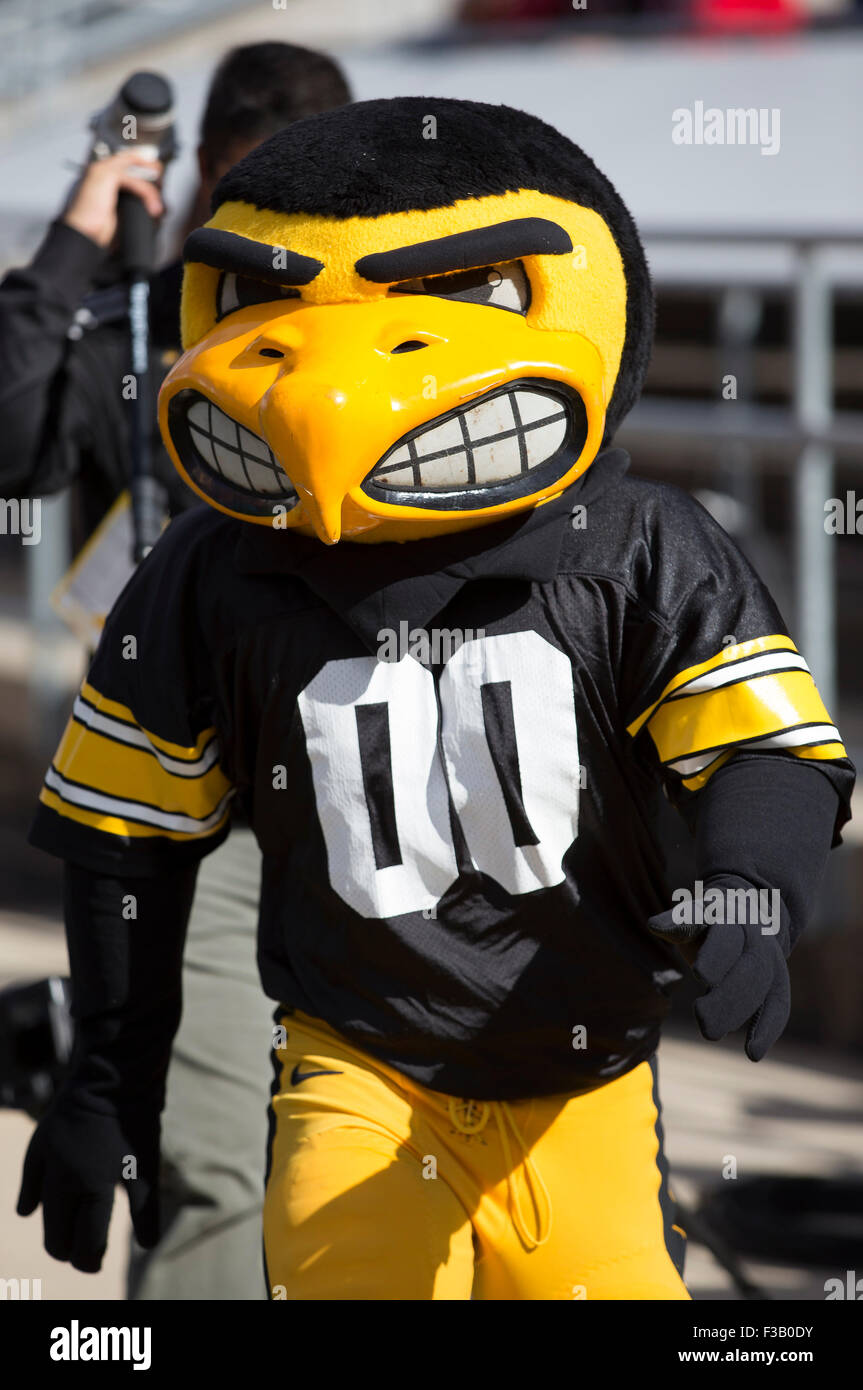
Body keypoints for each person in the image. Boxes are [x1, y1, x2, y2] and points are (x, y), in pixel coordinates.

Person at [18, 96, 855, 1299]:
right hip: (356, 1068)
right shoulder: (209, 570)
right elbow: (123, 842)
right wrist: (106, 1084)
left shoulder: (636, 544)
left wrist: (749, 879)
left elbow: (762, 749)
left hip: (587, 1083)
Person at [0, 43, 352, 1301]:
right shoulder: (137, 322)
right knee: (211, 1169)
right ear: (204, 179)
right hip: (180, 797)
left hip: (366, 787)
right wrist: (73, 243)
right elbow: (8, 445)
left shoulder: (391, 323)